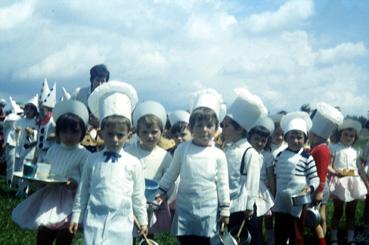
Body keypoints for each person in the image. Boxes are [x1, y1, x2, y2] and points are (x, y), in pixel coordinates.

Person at [69, 81, 148, 244]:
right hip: (94, 221)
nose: (115, 139)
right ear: (100, 133)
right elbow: (83, 190)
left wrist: (143, 220)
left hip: (122, 224)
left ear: (129, 135)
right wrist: (76, 215)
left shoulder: (133, 163)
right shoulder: (92, 160)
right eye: (110, 134)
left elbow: (138, 196)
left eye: (120, 135)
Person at [12, 99, 90, 245]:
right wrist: (37, 180)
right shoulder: (53, 149)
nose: (69, 136)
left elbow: (86, 180)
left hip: (70, 200)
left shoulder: (84, 154)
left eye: (74, 132)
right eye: (64, 131)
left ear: (82, 132)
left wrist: (75, 183)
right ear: (58, 132)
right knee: (44, 234)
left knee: (64, 237)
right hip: (49, 197)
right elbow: (45, 169)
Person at [158, 89, 230, 245]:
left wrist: (225, 208)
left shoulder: (218, 155)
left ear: (216, 129)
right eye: (199, 125)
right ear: (191, 128)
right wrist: (161, 192)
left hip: (208, 208)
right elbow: (171, 173)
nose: (204, 129)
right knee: (186, 239)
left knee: (205, 240)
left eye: (209, 125)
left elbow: (223, 183)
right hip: (185, 207)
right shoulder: (182, 149)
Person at [221, 88, 267, 245]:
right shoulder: (227, 148)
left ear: (239, 129)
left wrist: (249, 207)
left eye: (227, 126)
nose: (223, 129)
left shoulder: (249, 152)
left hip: (243, 208)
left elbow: (252, 183)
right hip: (228, 206)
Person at [125, 100, 173, 236]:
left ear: (162, 132)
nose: (149, 136)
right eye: (145, 132)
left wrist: (163, 195)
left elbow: (171, 179)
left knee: (147, 233)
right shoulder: (129, 151)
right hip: (131, 201)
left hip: (153, 203)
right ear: (138, 133)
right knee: (129, 234)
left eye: (154, 132)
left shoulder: (165, 156)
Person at [273, 111, 319, 245]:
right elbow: (276, 176)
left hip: (298, 201)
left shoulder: (307, 157)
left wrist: (310, 188)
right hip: (281, 200)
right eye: (292, 137)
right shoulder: (280, 155)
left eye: (299, 137)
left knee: (296, 232)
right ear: (286, 138)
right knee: (280, 231)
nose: (295, 140)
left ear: (305, 139)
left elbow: (314, 178)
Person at [308, 102, 343, 245]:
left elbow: (322, 172)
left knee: (318, 217)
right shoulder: (318, 147)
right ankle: (322, 240)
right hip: (319, 186)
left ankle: (322, 242)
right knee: (319, 216)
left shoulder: (321, 149)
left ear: (315, 134)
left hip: (319, 187)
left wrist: (319, 191)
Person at [328, 118, 368, 245]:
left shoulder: (356, 151)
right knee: (337, 211)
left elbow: (359, 169)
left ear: (355, 138)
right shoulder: (334, 147)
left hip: (353, 182)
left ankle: (350, 238)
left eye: (352, 136)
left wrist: (365, 183)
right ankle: (334, 237)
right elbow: (329, 165)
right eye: (346, 134)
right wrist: (335, 172)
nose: (349, 137)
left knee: (351, 212)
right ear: (340, 134)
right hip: (340, 181)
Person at [247, 116, 275, 245]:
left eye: (263, 141)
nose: (259, 143)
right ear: (250, 138)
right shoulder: (246, 152)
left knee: (257, 220)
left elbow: (270, 176)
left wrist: (273, 194)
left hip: (260, 189)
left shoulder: (267, 155)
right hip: (246, 187)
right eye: (256, 139)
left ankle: (258, 240)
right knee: (247, 220)